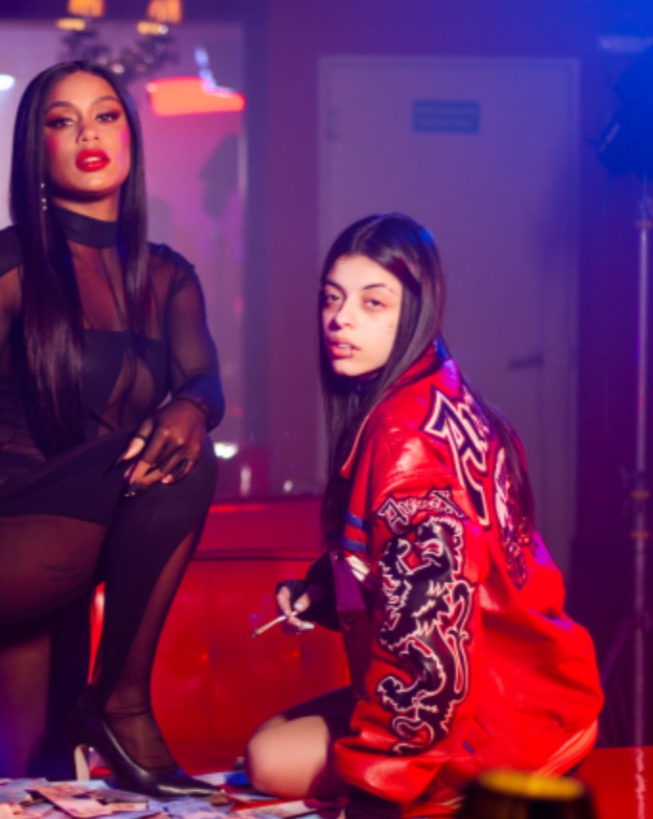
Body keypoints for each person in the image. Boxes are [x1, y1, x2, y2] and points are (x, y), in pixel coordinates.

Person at [0, 60, 223, 797]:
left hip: (82, 534)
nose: (87, 135)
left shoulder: (169, 278)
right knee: (182, 465)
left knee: (37, 794)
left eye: (105, 116)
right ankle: (122, 704)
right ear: (35, 149)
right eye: (62, 121)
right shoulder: (4, 264)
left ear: (130, 136)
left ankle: (110, 704)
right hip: (0, 537)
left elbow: (205, 380)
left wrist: (190, 406)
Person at [242, 213, 603, 818]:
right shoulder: (451, 394)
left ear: (417, 310)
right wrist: (325, 589)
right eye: (332, 298)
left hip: (499, 718)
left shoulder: (401, 437)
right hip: (546, 693)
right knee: (276, 738)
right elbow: (436, 568)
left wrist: (379, 788)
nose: (341, 319)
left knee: (267, 757)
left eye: (373, 302)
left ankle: (458, 782)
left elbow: (432, 624)